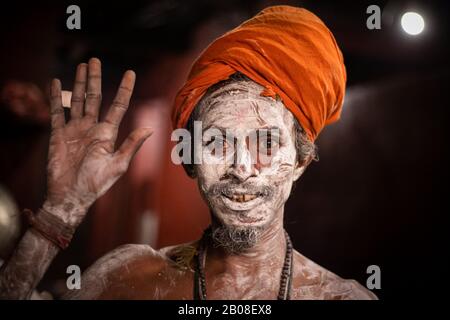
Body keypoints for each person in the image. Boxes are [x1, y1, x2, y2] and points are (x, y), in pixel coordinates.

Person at [0, 6, 377, 300]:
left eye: (265, 143)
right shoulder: (127, 277)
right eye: (217, 142)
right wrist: (60, 212)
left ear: (299, 161)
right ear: (191, 160)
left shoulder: (341, 296)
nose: (242, 169)